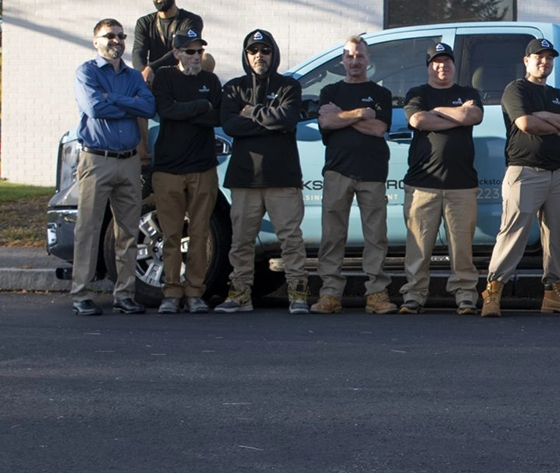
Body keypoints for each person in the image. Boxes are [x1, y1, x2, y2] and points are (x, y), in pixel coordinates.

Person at [482, 37, 560, 318]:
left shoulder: (558, 96)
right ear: (526, 61)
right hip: (525, 172)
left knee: (557, 236)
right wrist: (556, 126)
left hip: (558, 174)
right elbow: (525, 123)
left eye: (549, 58)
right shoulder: (516, 89)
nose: (544, 62)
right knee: (512, 233)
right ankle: (493, 291)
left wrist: (545, 115)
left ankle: (553, 294)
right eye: (539, 57)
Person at [68, 19, 158, 316]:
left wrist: (112, 98)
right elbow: (94, 107)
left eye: (121, 36)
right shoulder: (87, 72)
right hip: (97, 160)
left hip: (129, 161)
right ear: (96, 41)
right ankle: (81, 293)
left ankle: (125, 294)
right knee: (88, 229)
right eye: (110, 36)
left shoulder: (133, 76)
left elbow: (148, 107)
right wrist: (128, 102)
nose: (117, 41)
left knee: (129, 231)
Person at [216, 29, 309, 313]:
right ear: (246, 56)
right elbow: (230, 125)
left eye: (265, 50)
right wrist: (268, 120)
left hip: (282, 177)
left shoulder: (288, 86)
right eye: (253, 51)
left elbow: (287, 119)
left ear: (274, 54)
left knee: (291, 240)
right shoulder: (233, 88)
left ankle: (298, 294)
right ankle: (240, 294)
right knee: (241, 242)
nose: (259, 56)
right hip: (245, 178)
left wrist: (250, 113)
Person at [312, 35, 396, 315]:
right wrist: (361, 113)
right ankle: (330, 293)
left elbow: (378, 129)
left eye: (360, 56)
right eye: (349, 56)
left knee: (376, 236)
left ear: (368, 59)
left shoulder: (381, 93)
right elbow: (326, 121)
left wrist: (342, 117)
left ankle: (377, 294)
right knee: (332, 235)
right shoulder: (330, 92)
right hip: (337, 170)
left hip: (372, 171)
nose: (355, 61)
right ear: (342, 60)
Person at [399, 41, 484, 314]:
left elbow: (474, 115)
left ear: (453, 65)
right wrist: (458, 116)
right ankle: (414, 296)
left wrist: (437, 111)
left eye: (447, 61)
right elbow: (418, 121)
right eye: (436, 61)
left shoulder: (467, 92)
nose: (442, 66)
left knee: (462, 249)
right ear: (428, 66)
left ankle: (465, 296)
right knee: (418, 247)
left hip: (462, 184)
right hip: (422, 184)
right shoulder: (417, 93)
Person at [148, 27, 220, 314]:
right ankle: (171, 291)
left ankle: (194, 292)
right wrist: (200, 106)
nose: (196, 56)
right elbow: (166, 111)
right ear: (177, 53)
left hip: (203, 167)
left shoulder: (211, 80)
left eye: (200, 51)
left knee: (200, 234)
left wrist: (184, 111)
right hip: (169, 169)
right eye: (190, 51)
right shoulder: (165, 77)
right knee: (171, 235)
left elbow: (217, 117)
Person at [132, 0, 210, 81]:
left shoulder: (191, 20)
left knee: (207, 59)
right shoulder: (144, 23)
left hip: (182, 75)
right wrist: (143, 73)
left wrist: (151, 68)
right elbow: (138, 53)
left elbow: (182, 50)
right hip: (155, 77)